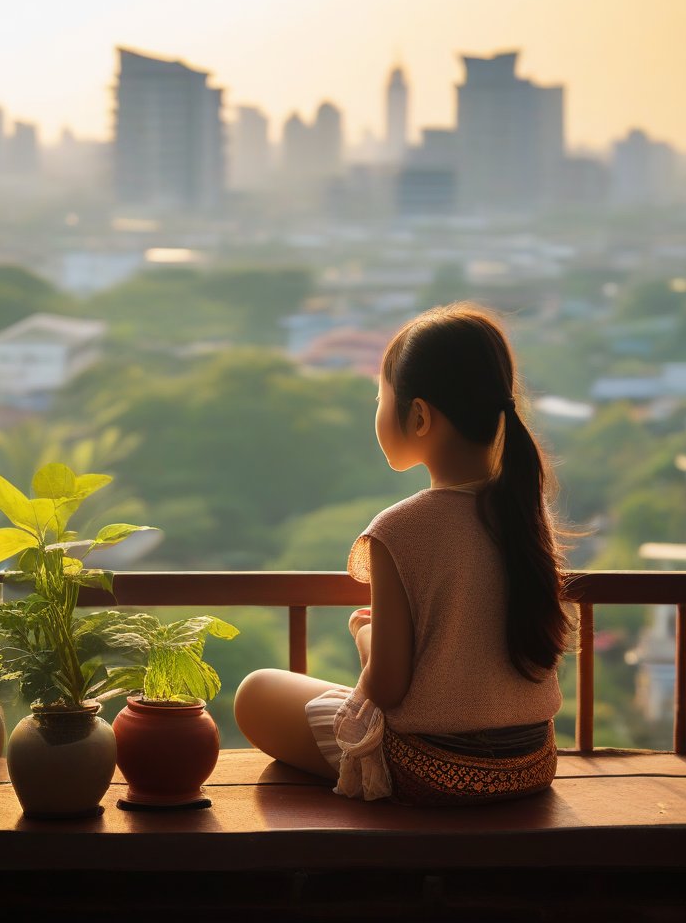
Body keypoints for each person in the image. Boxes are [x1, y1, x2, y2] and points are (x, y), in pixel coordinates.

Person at [233, 303, 574, 807]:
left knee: (257, 693)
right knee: (310, 697)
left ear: (418, 416)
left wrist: (367, 634)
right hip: (530, 763)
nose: (376, 413)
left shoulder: (400, 529)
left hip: (434, 769)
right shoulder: (528, 515)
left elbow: (388, 689)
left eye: (380, 398)